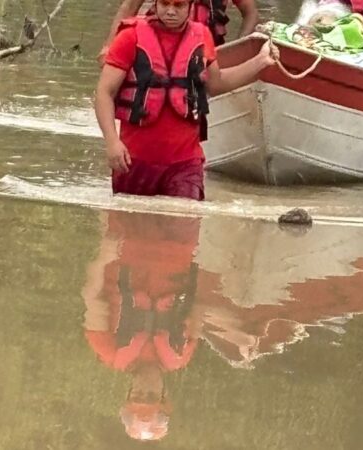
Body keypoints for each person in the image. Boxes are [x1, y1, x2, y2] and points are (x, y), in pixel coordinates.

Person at [94, 0, 277, 201]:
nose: (171, 11)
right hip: (134, 160)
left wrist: (260, 61)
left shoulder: (202, 36)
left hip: (186, 164)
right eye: (165, 4)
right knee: (131, 230)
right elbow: (104, 92)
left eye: (179, 5)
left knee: (184, 224)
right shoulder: (130, 36)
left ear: (190, 6)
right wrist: (112, 142)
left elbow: (216, 85)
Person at [82, 211, 205, 441]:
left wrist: (104, 255)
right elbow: (199, 305)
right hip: (179, 248)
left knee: (135, 186)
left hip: (129, 246)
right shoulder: (181, 354)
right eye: (150, 395)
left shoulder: (108, 350)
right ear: (163, 394)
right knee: (185, 200)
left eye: (137, 394)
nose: (144, 387)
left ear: (128, 392)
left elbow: (92, 295)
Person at [98, 0, 260, 64]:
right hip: (158, 49)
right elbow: (129, 7)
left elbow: (250, 13)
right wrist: (109, 46)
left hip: (205, 52)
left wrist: (239, 48)